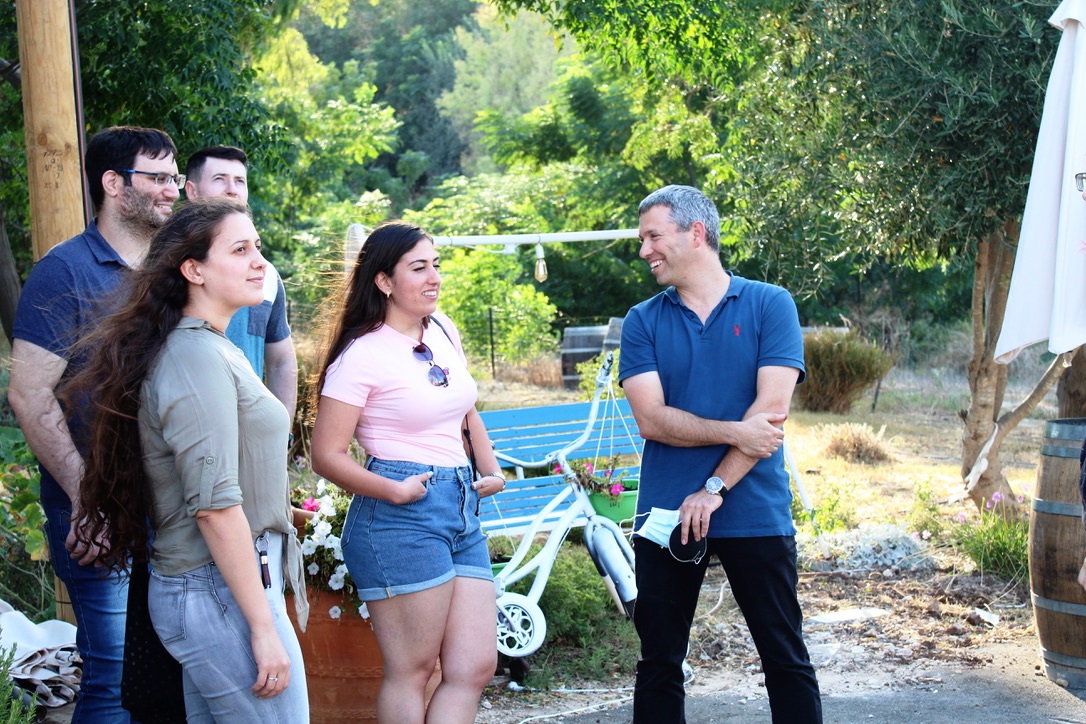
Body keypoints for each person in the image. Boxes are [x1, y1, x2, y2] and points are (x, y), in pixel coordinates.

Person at [62, 197, 309, 720]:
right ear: (194, 270)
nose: (260, 262)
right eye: (240, 250)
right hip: (216, 588)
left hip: (223, 583)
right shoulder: (194, 356)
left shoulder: (210, 347)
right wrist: (262, 627)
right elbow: (214, 508)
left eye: (258, 247)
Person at [619, 184, 823, 723]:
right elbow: (652, 419)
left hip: (754, 509)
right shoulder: (643, 320)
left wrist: (713, 489)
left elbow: (770, 416)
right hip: (666, 513)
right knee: (659, 662)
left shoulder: (769, 304)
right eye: (642, 239)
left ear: (696, 233)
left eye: (653, 236)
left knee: (784, 656)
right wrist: (736, 431)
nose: (644, 250)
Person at [9, 125, 181, 722]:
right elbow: (29, 394)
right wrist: (89, 498)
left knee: (167, 676)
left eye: (174, 177)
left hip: (173, 508)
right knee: (111, 678)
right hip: (97, 514)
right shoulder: (65, 272)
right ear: (113, 183)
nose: (172, 189)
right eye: (157, 177)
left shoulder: (171, 272)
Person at [310, 221, 500, 723]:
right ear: (384, 281)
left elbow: (465, 409)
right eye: (419, 268)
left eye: (436, 264)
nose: (434, 276)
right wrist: (393, 491)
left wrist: (492, 469)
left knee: (474, 666)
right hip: (399, 514)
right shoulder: (361, 355)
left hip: (460, 505)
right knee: (413, 670)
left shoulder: (443, 329)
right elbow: (326, 455)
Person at [184, 145, 298, 422]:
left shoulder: (265, 274)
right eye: (220, 179)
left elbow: (281, 360)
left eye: (240, 181)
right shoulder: (173, 267)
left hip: (252, 431)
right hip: (188, 426)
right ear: (191, 191)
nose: (232, 190)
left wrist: (282, 431)